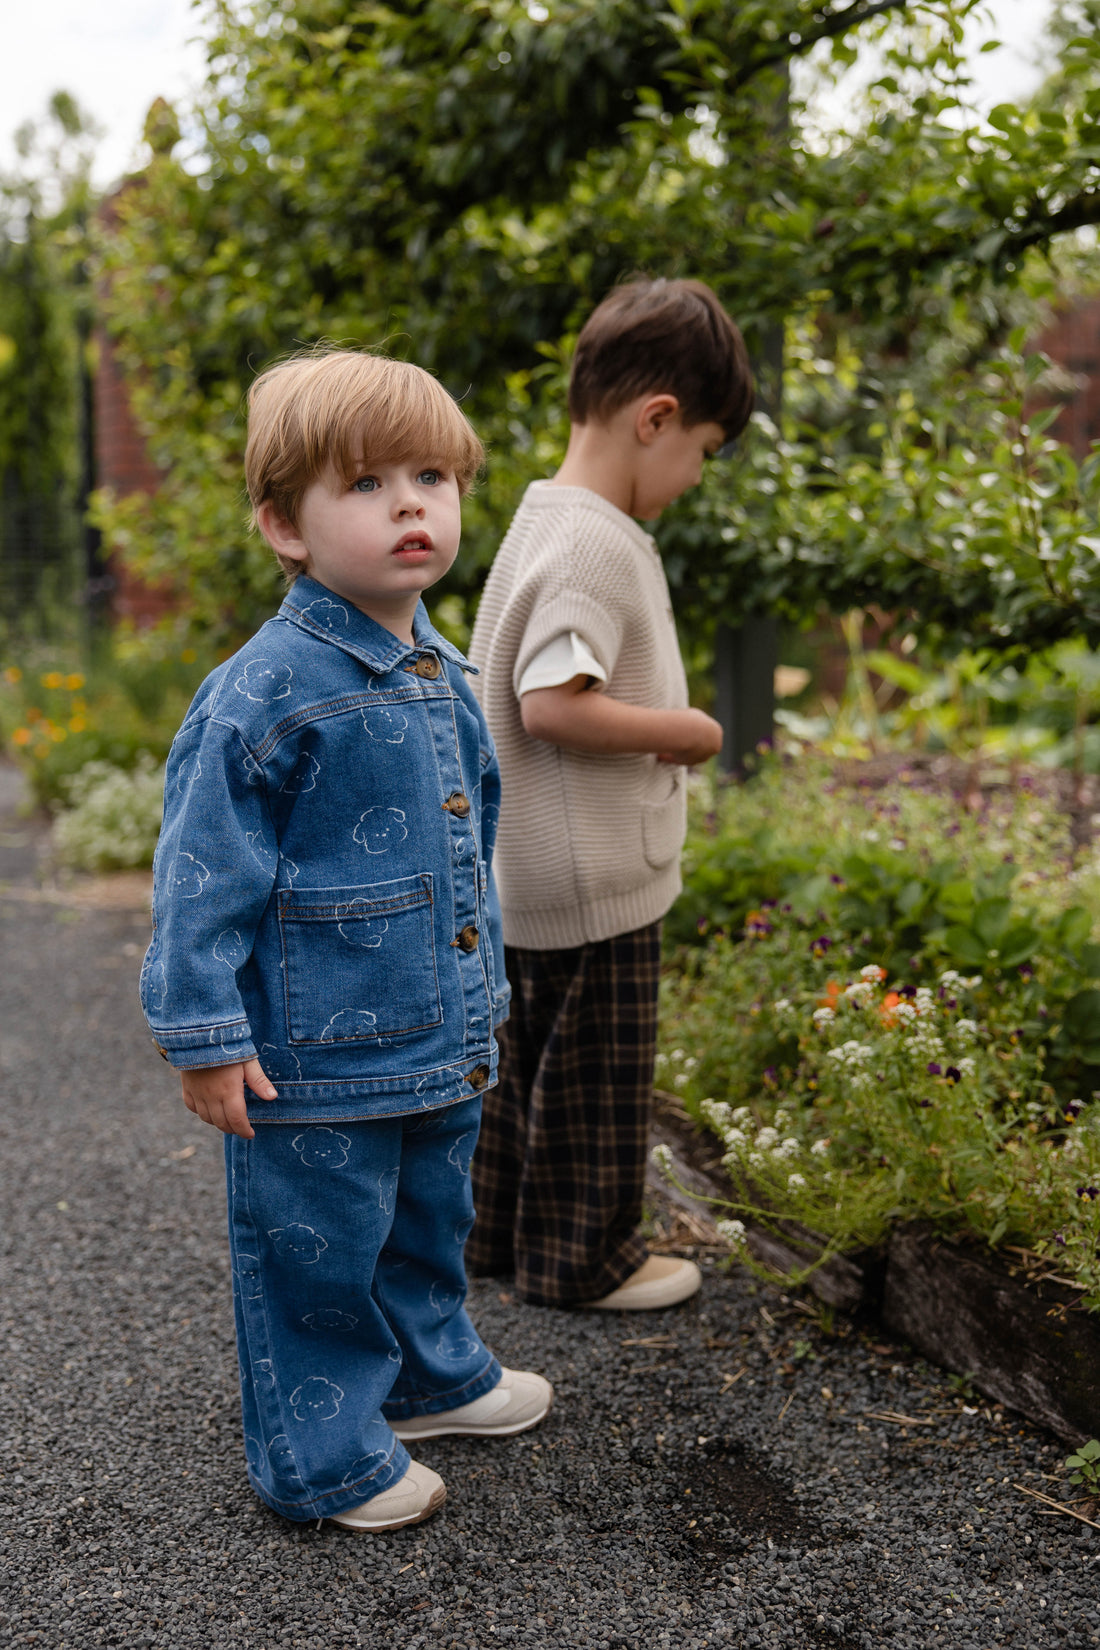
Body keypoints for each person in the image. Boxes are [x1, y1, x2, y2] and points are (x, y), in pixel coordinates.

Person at [140, 349, 552, 1533]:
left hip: (437, 1026)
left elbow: (468, 851)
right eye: (365, 483)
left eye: (431, 475)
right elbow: (203, 878)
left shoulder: (442, 669)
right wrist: (206, 1035)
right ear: (283, 523)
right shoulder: (262, 694)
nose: (411, 504)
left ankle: (428, 1375)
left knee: (430, 1217)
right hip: (312, 1056)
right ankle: (317, 1456)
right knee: (317, 1250)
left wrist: (487, 993)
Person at [466, 277, 754, 1311]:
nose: (693, 477)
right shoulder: (590, 541)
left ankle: (496, 1240)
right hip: (592, 876)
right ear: (655, 419)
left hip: (537, 869)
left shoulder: (546, 518)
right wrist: (686, 731)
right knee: (594, 1082)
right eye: (701, 454)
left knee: (525, 1068)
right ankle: (582, 1260)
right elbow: (553, 701)